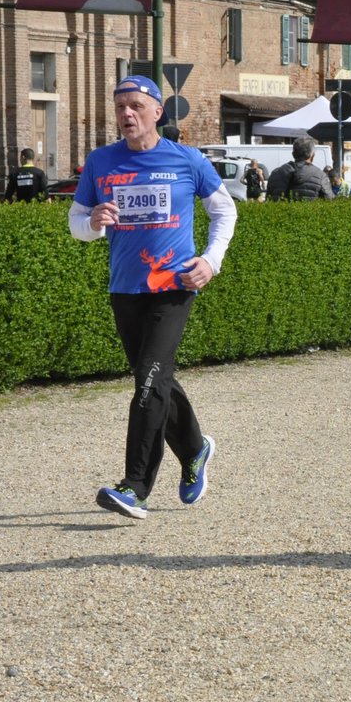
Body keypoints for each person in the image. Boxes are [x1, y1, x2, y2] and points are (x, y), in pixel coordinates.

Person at [68, 76, 236, 520]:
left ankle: (135, 486)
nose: (126, 114)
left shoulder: (187, 160)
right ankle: (196, 449)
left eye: (136, 106)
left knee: (148, 379)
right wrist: (95, 222)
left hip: (172, 288)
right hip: (125, 289)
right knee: (154, 381)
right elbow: (77, 225)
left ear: (157, 112)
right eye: (120, 106)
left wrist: (210, 261)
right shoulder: (101, 162)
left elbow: (224, 211)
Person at [266, 136, 334, 200]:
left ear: (293, 154)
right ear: (312, 156)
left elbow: (268, 201)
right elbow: (329, 201)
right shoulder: (321, 176)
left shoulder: (275, 174)